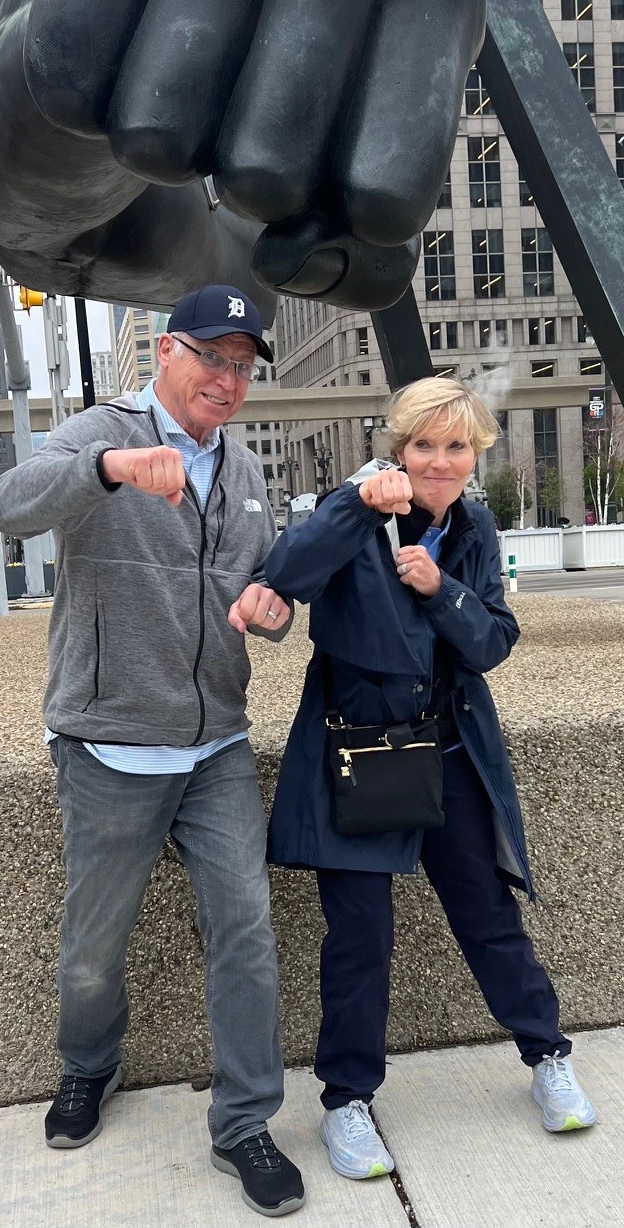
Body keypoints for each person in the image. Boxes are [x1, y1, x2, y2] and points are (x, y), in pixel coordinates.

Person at [0, 284, 305, 1219]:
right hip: (109, 743)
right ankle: (88, 1066)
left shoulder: (244, 472)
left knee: (245, 934)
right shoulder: (98, 431)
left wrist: (273, 611)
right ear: (166, 352)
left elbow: (264, 589)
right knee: (94, 943)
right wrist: (113, 468)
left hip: (216, 747)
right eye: (214, 355)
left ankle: (244, 1121)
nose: (229, 377)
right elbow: (7, 505)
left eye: (244, 364)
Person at [261, 377, 596, 1183]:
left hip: (447, 752)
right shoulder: (360, 506)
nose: (439, 463)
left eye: (457, 446)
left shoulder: (474, 524)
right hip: (359, 755)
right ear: (398, 445)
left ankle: (547, 1053)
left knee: (489, 914)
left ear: (474, 453)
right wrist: (354, 506)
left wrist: (438, 587)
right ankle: (347, 1100)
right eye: (423, 445)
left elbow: (491, 641)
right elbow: (286, 572)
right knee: (360, 940)